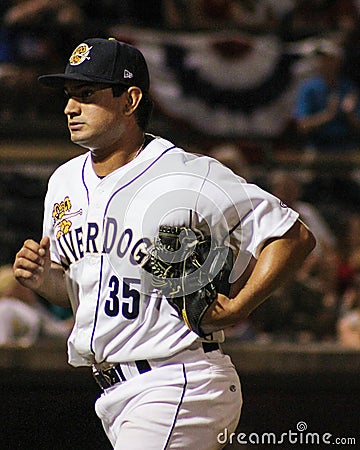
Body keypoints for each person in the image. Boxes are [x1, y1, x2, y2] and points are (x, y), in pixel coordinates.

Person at [13, 37, 315, 449]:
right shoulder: (63, 181)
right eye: (69, 96)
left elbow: (293, 235)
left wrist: (239, 307)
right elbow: (78, 295)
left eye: (86, 95)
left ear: (130, 99)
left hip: (178, 381)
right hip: (116, 395)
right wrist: (43, 277)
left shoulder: (187, 174)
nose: (70, 107)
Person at [294, 39, 360, 154]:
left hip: (347, 148)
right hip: (318, 147)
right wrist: (328, 114)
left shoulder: (348, 88)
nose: (324, 62)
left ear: (338, 61)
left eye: (329, 59)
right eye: (321, 59)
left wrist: (349, 113)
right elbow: (302, 126)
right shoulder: (309, 89)